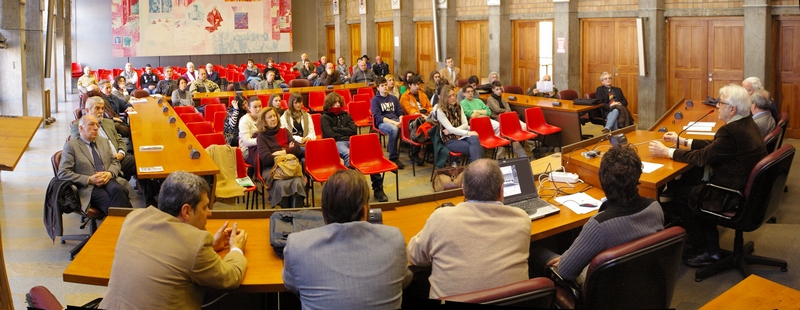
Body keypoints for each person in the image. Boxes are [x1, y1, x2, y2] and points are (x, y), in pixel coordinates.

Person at [648, 84, 767, 267]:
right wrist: (682, 141)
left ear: (732, 109)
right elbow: (716, 146)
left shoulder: (730, 131)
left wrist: (667, 152)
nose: (717, 106)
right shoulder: (745, 123)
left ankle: (708, 249)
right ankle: (698, 239)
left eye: (721, 103)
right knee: (687, 181)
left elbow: (703, 157)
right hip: (744, 189)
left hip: (728, 194)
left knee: (680, 194)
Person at [99, 171, 248, 309]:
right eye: (204, 207)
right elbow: (231, 277)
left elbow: (170, 250)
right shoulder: (195, 244)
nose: (209, 213)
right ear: (187, 211)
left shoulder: (134, 218)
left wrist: (211, 247)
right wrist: (236, 249)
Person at [530, 145, 664, 283]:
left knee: (536, 252)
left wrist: (566, 260)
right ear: (638, 176)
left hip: (606, 291)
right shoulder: (655, 208)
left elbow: (565, 272)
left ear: (602, 179)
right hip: (642, 282)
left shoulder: (598, 226)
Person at [283, 169, 412, 309]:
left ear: (324, 212)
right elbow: (405, 279)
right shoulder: (395, 240)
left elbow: (291, 284)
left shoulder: (297, 246)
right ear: (364, 210)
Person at [407, 159, 530, 298]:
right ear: (502, 190)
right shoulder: (522, 220)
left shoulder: (441, 218)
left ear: (463, 188)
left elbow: (416, 257)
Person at [320, 92, 389, 202]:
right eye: (334, 102)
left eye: (339, 102)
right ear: (329, 104)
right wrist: (343, 132)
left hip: (351, 140)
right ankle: (351, 188)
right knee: (349, 154)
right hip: (336, 143)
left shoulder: (346, 115)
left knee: (370, 155)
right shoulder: (324, 117)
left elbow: (353, 130)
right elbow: (330, 135)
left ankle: (378, 188)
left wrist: (336, 129)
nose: (337, 105)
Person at [57, 114, 132, 215]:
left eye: (97, 125)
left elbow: (115, 161)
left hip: (107, 179)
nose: (96, 128)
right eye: (91, 124)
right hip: (88, 186)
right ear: (81, 128)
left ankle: (119, 227)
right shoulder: (71, 146)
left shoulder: (103, 142)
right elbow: (63, 173)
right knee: (112, 202)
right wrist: (89, 179)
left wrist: (110, 173)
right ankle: (127, 225)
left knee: (119, 190)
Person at [70, 96, 136, 182]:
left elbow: (119, 140)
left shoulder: (108, 122)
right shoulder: (78, 126)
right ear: (87, 110)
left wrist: (121, 153)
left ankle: (150, 193)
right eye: (97, 108)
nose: (101, 111)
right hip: (102, 164)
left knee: (141, 161)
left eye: (102, 108)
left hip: (119, 158)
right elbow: (79, 150)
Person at [256, 107, 306, 208]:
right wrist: (288, 151)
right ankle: (286, 217)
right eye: (270, 117)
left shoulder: (285, 132)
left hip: (290, 167)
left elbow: (297, 150)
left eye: (274, 116)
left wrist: (279, 152)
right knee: (282, 185)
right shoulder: (261, 137)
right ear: (264, 121)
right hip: (272, 169)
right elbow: (267, 159)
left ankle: (297, 215)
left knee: (297, 182)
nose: (273, 119)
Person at [461, 84, 525, 158]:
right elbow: (471, 115)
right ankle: (505, 156)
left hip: (487, 121)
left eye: (472, 91)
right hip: (476, 124)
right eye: (468, 92)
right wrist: (482, 111)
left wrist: (476, 111)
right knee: (503, 131)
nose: (470, 93)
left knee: (505, 131)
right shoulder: (463, 103)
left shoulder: (478, 100)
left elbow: (488, 112)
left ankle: (504, 156)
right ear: (463, 93)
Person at [435, 85, 483, 163]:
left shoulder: (458, 106)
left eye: (453, 95)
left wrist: (452, 130)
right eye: (449, 96)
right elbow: (451, 128)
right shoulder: (440, 111)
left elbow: (465, 124)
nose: (453, 98)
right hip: (449, 140)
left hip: (461, 136)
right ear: (444, 98)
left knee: (474, 139)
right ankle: (475, 170)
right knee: (478, 148)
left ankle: (474, 169)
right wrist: (467, 132)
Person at [370, 76, 405, 169]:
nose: (385, 87)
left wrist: (401, 120)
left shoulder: (393, 98)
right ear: (378, 88)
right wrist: (394, 123)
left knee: (408, 126)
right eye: (382, 85)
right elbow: (378, 117)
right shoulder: (375, 100)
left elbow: (400, 112)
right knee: (394, 129)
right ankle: (393, 158)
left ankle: (413, 154)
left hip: (396, 120)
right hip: (383, 123)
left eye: (385, 85)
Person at [238, 96, 262, 163]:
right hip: (247, 151)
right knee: (266, 156)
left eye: (260, 106)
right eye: (255, 107)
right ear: (249, 108)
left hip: (261, 146)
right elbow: (246, 142)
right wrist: (263, 140)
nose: (258, 109)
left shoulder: (263, 118)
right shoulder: (244, 120)